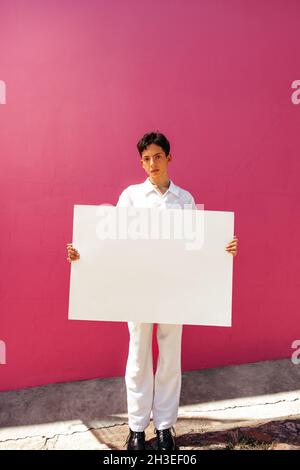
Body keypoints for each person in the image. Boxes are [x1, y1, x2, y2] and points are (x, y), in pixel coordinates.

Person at [67, 131, 238, 450]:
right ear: (141, 162)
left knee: (170, 356)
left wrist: (222, 249)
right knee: (138, 356)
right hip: (138, 288)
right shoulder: (131, 196)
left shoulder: (184, 199)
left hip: (174, 289)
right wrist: (82, 254)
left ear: (169, 157)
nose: (152, 163)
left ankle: (164, 427)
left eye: (157, 156)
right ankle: (136, 428)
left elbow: (196, 243)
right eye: (146, 159)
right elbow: (111, 239)